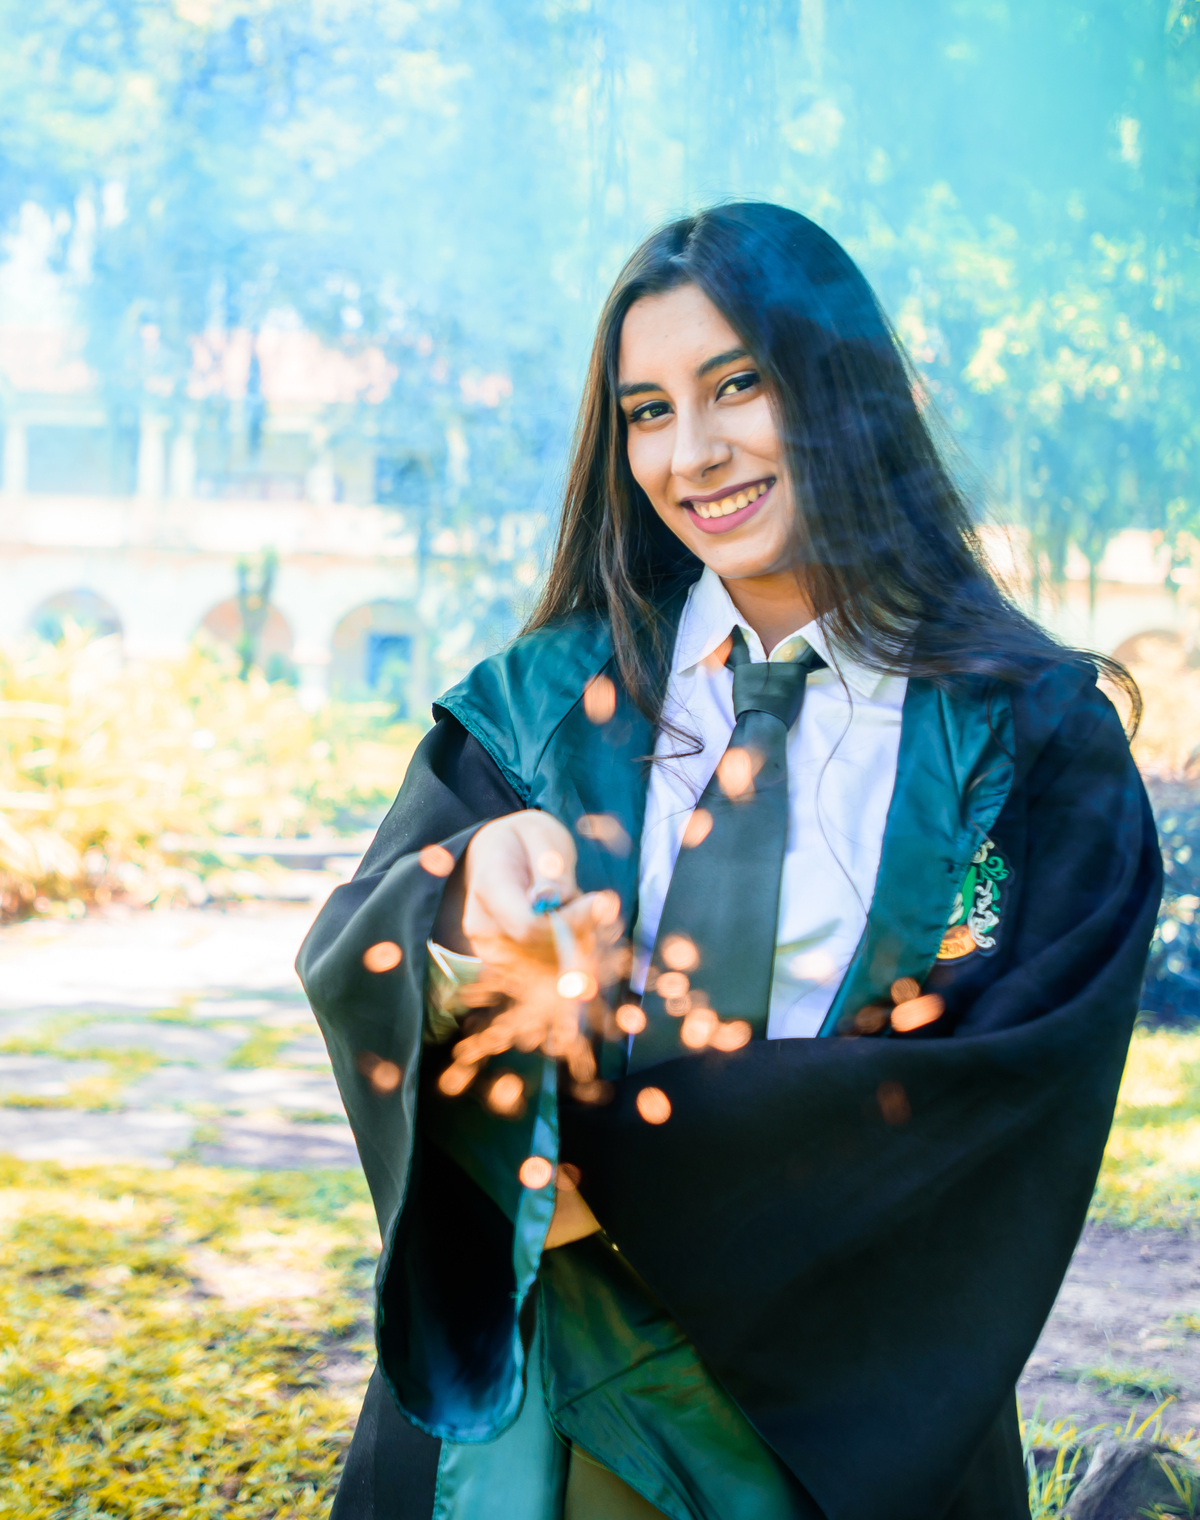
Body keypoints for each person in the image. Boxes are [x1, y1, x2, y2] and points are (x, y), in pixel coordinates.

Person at [297, 203, 1162, 1520]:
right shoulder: (541, 707)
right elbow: (359, 946)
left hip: (838, 1424)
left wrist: (612, 1185)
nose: (692, 454)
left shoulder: (1030, 740)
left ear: (848, 392)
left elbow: (1005, 1081)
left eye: (738, 386)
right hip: (539, 1415)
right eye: (647, 411)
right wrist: (465, 890)